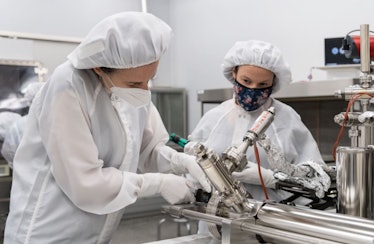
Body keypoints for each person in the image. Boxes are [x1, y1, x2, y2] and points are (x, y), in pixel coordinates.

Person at [4, 12, 210, 244]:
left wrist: (180, 161)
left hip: (97, 231)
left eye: (149, 79)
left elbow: (149, 149)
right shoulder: (68, 86)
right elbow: (85, 182)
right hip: (48, 230)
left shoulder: (133, 92)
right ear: (99, 68)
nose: (144, 90)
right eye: (134, 83)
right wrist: (158, 184)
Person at [185, 40, 329, 235]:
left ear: (273, 83)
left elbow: (317, 181)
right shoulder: (214, 118)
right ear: (233, 73)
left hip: (271, 228)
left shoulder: (287, 119)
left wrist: (271, 179)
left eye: (263, 85)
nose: (252, 90)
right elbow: (192, 175)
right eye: (246, 81)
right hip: (215, 227)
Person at [1, 82, 45, 168]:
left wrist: (17, 167)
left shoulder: (18, 126)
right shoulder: (56, 122)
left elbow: (9, 152)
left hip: (23, 174)